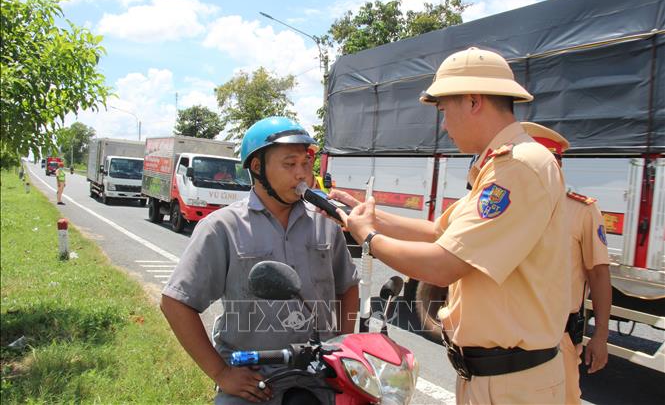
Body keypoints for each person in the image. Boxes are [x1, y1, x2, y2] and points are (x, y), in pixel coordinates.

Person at [329, 47, 570, 404]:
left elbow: (442, 265)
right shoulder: (500, 165)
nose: (443, 125)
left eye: (444, 110)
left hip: (511, 384)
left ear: (473, 101)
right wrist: (366, 215)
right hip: (496, 377)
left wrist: (368, 236)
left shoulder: (517, 167)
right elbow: (441, 232)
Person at [161, 116, 359, 405]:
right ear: (257, 168)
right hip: (253, 384)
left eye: (306, 163)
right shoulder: (223, 227)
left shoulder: (325, 223)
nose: (302, 174)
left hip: (319, 382)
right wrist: (222, 373)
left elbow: (347, 286)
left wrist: (340, 352)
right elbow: (176, 302)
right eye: (289, 164)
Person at [522, 122, 611, 404]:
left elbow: (598, 275)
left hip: (557, 339)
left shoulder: (581, 210)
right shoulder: (513, 206)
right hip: (509, 334)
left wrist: (600, 336)